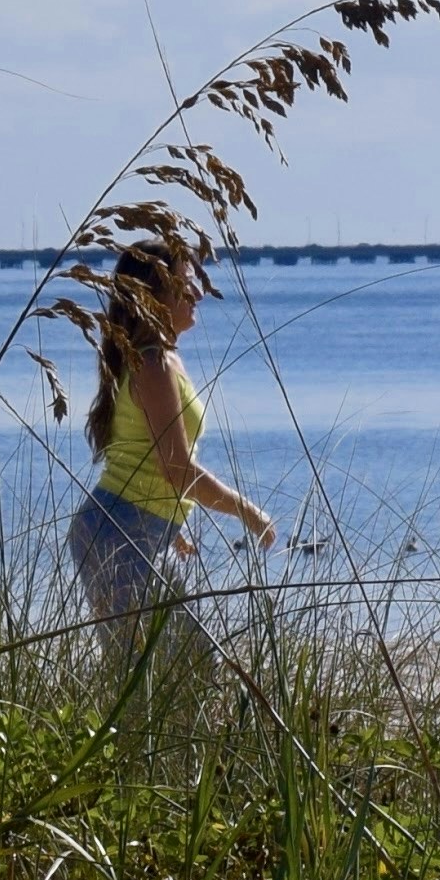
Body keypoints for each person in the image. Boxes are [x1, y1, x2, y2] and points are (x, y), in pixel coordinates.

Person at [69, 242, 272, 658]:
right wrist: (248, 512)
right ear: (153, 299)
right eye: (183, 284)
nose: (197, 292)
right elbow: (177, 468)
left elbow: (144, 451)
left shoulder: (162, 360)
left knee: (187, 666)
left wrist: (172, 527)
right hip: (120, 532)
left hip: (138, 529)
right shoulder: (153, 365)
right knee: (156, 672)